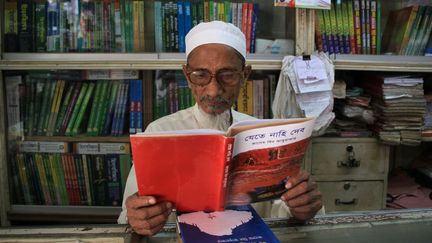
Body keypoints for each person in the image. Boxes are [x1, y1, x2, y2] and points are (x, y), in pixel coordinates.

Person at [118, 21, 322, 236]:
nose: (214, 91)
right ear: (187, 76)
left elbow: (285, 210)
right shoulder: (159, 132)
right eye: (200, 75)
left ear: (244, 76)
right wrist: (137, 217)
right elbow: (130, 216)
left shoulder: (265, 135)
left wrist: (300, 204)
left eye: (228, 75)